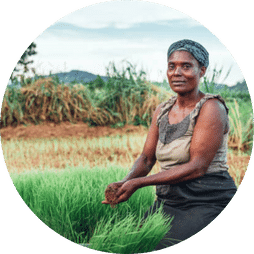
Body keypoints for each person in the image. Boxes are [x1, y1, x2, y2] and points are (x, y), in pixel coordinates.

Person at [102, 39, 237, 250]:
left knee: (163, 246)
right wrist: (124, 182)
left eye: (186, 66)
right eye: (171, 66)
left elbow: (197, 166)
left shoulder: (211, 108)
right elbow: (146, 159)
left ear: (202, 71)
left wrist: (138, 184)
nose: (177, 72)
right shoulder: (162, 110)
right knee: (130, 243)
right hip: (169, 200)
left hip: (206, 200)